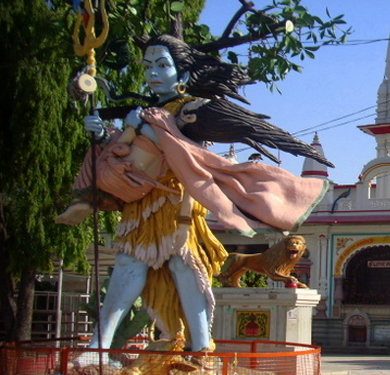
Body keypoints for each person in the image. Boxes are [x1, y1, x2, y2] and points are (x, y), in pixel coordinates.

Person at [57, 34, 330, 360]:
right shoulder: (144, 112)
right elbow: (127, 153)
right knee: (127, 271)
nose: (152, 73)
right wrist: (103, 135)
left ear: (183, 75)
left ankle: (201, 348)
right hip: (140, 207)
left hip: (178, 206)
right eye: (147, 67)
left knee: (187, 272)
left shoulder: (188, 112)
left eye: (162, 65)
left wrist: (154, 131)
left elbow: (192, 158)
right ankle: (98, 348)